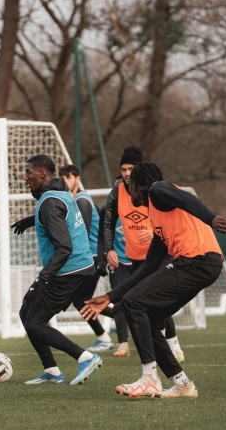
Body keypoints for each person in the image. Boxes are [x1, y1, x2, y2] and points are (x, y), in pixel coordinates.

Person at [82, 163, 226, 398]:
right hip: (203, 264)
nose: (127, 191)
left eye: (129, 185)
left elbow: (186, 198)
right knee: (148, 316)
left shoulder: (157, 190)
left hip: (197, 260)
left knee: (134, 302)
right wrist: (110, 297)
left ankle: (149, 379)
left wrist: (211, 218)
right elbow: (148, 267)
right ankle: (182, 383)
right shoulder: (157, 215)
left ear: (137, 185)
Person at [11, 154, 103, 385]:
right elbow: (60, 216)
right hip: (79, 266)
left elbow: (64, 247)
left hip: (69, 270)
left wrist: (41, 281)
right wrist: (32, 219)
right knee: (26, 312)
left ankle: (85, 357)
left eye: (28, 171)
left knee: (35, 322)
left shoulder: (50, 201)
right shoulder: (61, 192)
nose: (25, 176)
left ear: (42, 174)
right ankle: (52, 371)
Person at [103, 147, 183, 361]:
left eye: (131, 168)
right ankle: (142, 349)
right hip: (135, 259)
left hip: (159, 256)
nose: (127, 173)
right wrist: (109, 248)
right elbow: (108, 223)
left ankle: (174, 347)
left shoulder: (154, 189)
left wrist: (154, 233)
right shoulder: (117, 191)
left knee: (159, 302)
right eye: (123, 169)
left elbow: (170, 218)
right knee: (135, 303)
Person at [58, 164, 119, 352]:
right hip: (88, 257)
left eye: (68, 177)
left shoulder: (82, 200)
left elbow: (81, 233)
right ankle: (116, 326)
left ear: (77, 179)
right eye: (62, 178)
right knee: (82, 301)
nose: (65, 181)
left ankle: (111, 332)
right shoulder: (75, 201)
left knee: (81, 301)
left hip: (91, 258)